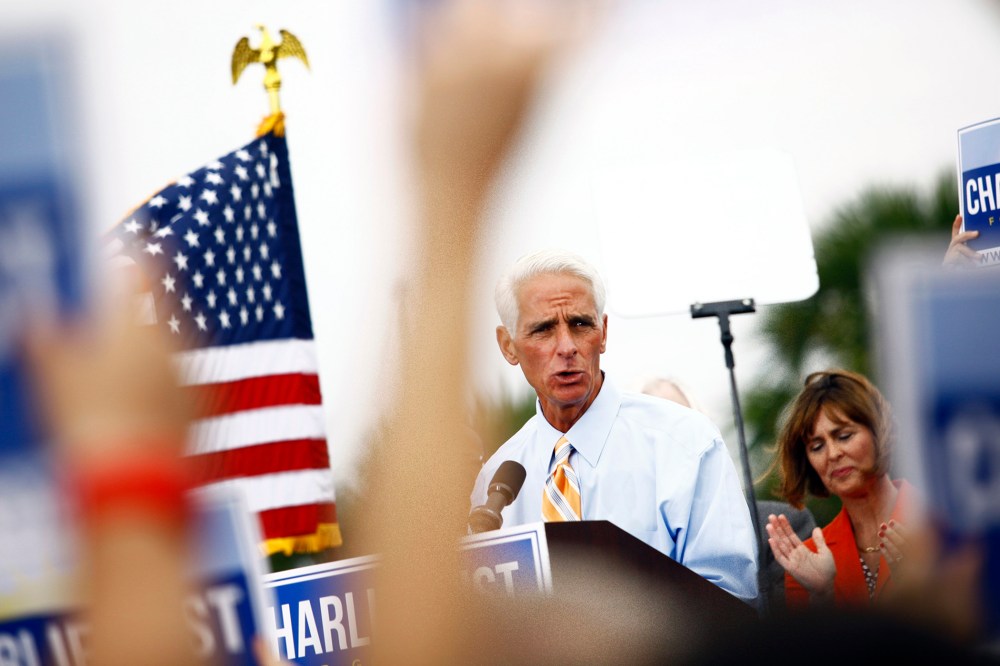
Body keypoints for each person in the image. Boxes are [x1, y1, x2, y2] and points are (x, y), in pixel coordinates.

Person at [470, 250, 759, 603]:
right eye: (543, 329)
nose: (567, 347)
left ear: (603, 332)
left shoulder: (686, 444)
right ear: (508, 345)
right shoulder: (495, 481)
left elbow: (732, 598)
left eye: (580, 324)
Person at [765, 369, 916, 608]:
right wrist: (823, 595)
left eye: (844, 436)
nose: (833, 454)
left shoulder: (940, 520)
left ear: (879, 431)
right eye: (817, 447)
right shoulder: (808, 558)